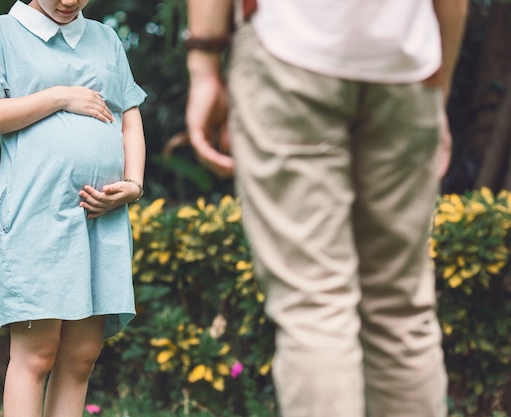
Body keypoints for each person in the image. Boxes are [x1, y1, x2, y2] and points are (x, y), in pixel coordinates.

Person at [185, 1, 467, 416]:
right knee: (401, 309)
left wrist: (205, 57)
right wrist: (436, 94)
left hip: (287, 48)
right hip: (407, 61)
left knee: (314, 305)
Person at [0, 1, 147, 416]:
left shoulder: (106, 39)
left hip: (103, 218)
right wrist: (60, 97)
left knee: (81, 357)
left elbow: (129, 118)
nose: (69, 1)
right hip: (35, 211)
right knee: (37, 354)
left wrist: (133, 184)